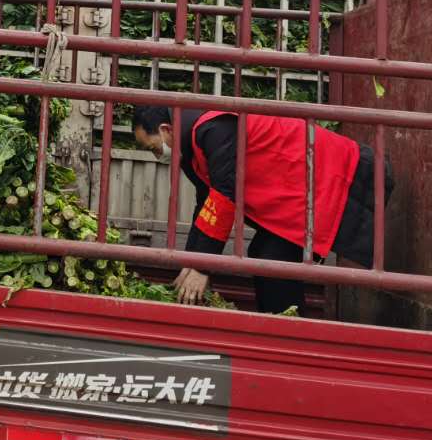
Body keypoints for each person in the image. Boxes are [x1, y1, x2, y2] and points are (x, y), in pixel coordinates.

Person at [131, 104, 389, 314]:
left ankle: (288, 341)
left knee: (273, 258)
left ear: (166, 129)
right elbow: (206, 205)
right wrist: (190, 263)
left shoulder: (212, 128)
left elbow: (224, 197)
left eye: (153, 148)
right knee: (264, 254)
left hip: (334, 174)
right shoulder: (188, 145)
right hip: (296, 190)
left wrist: (201, 268)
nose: (156, 155)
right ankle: (275, 330)